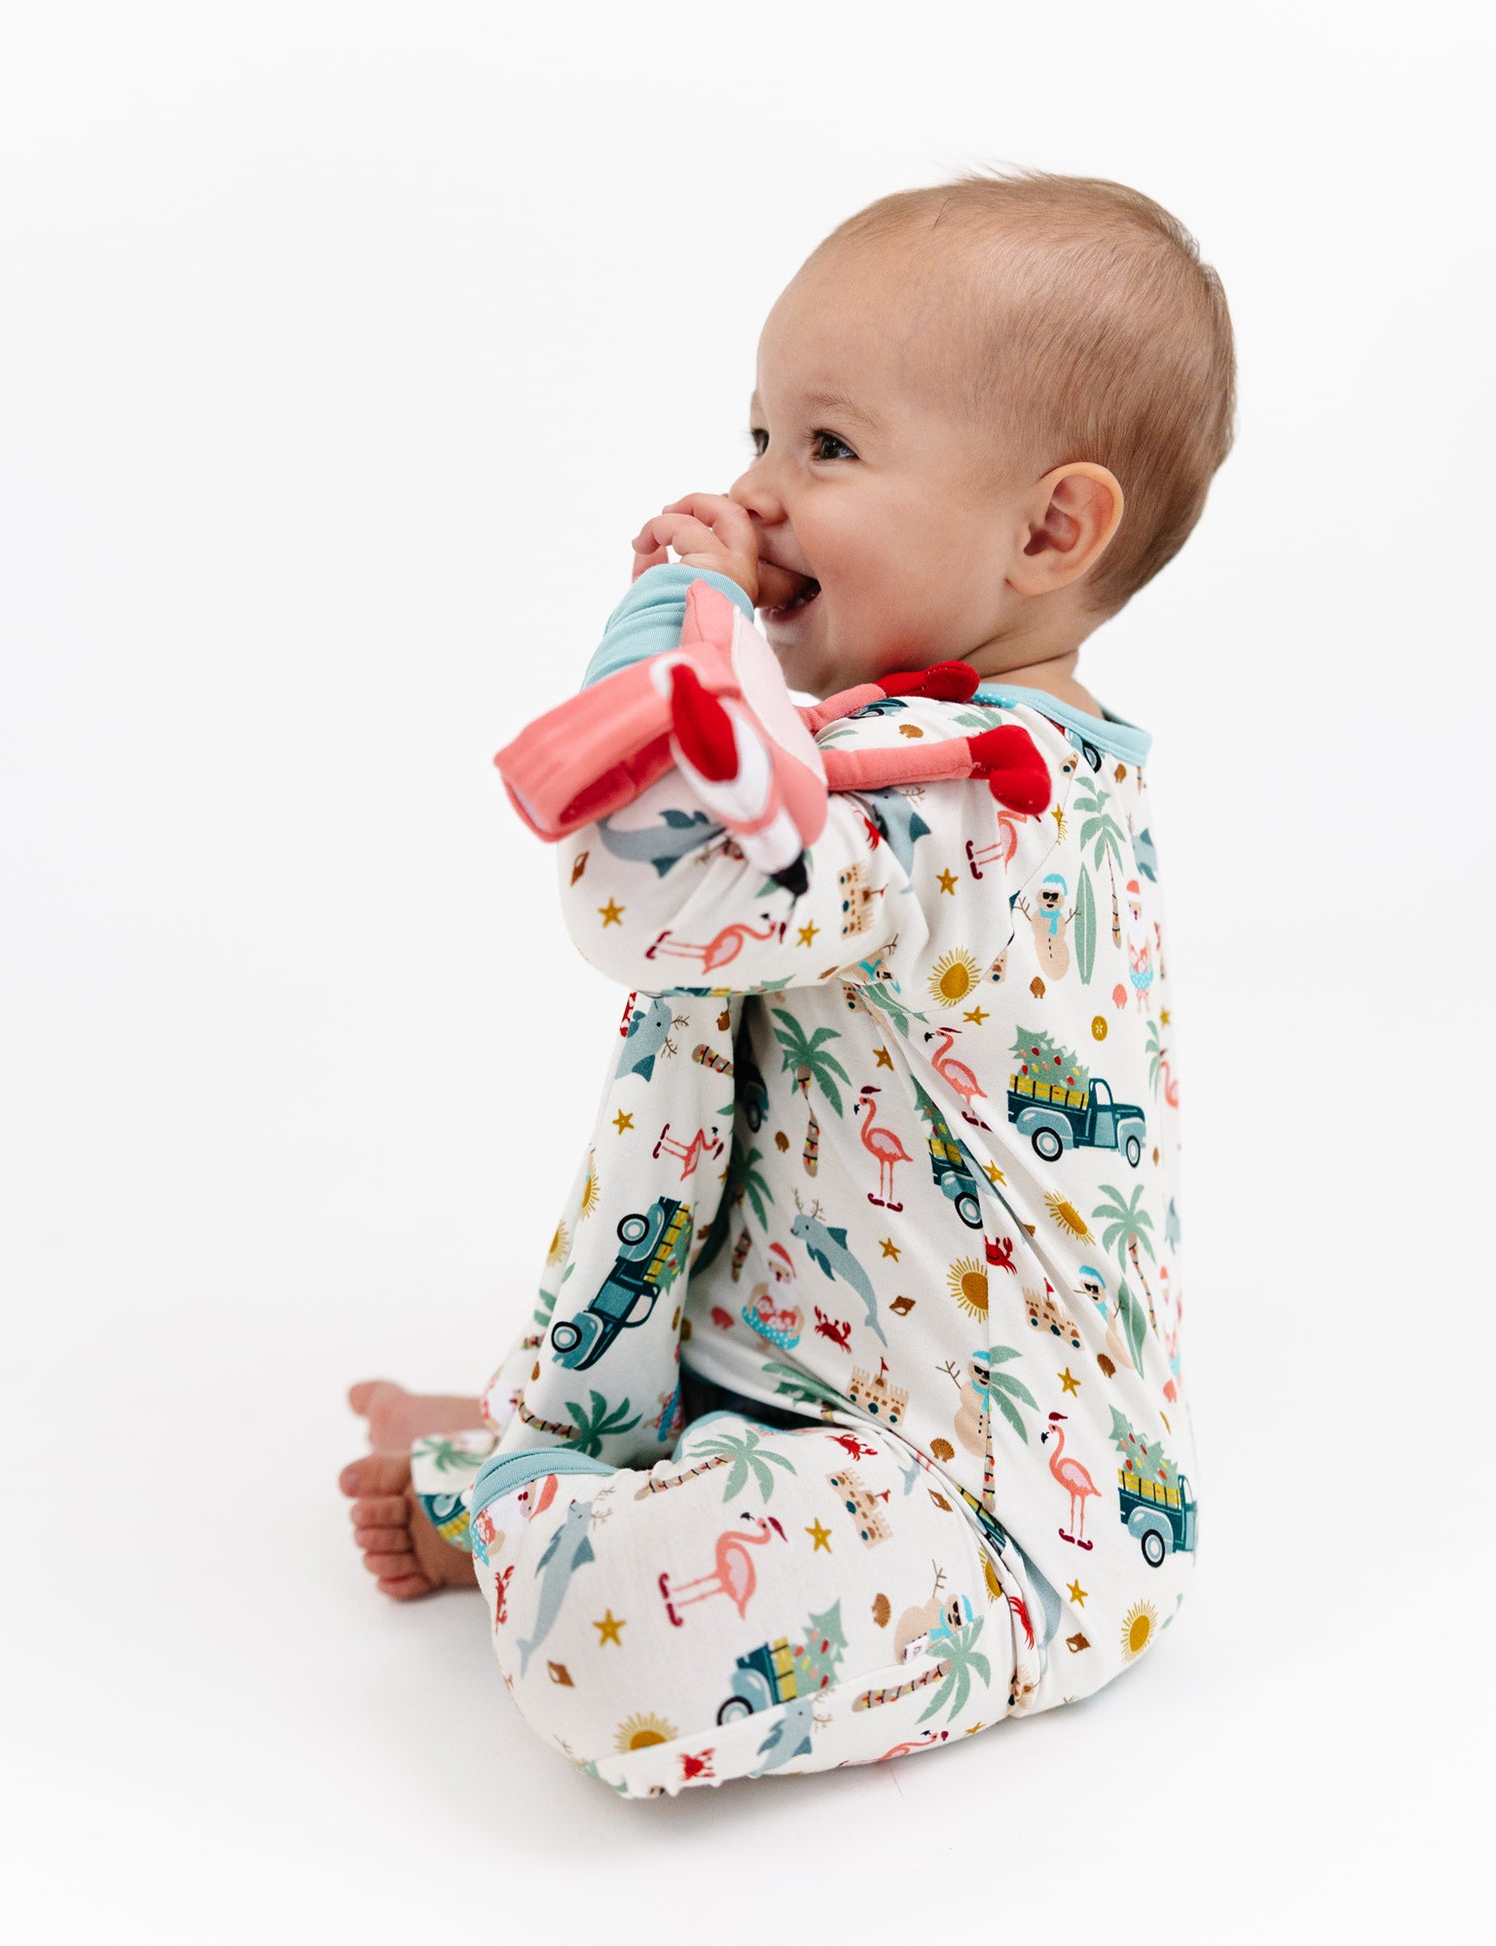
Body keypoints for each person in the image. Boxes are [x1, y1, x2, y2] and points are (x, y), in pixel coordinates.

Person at [341, 166, 1234, 1797]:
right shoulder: (924, 751)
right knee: (682, 1467)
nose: (753, 492)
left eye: (823, 448)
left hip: (995, 1505)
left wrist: (670, 622)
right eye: (756, 433)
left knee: (620, 1636)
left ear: (1048, 528)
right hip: (777, 1374)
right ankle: (599, 1439)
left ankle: (525, 1491)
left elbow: (653, 887)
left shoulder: (969, 784)